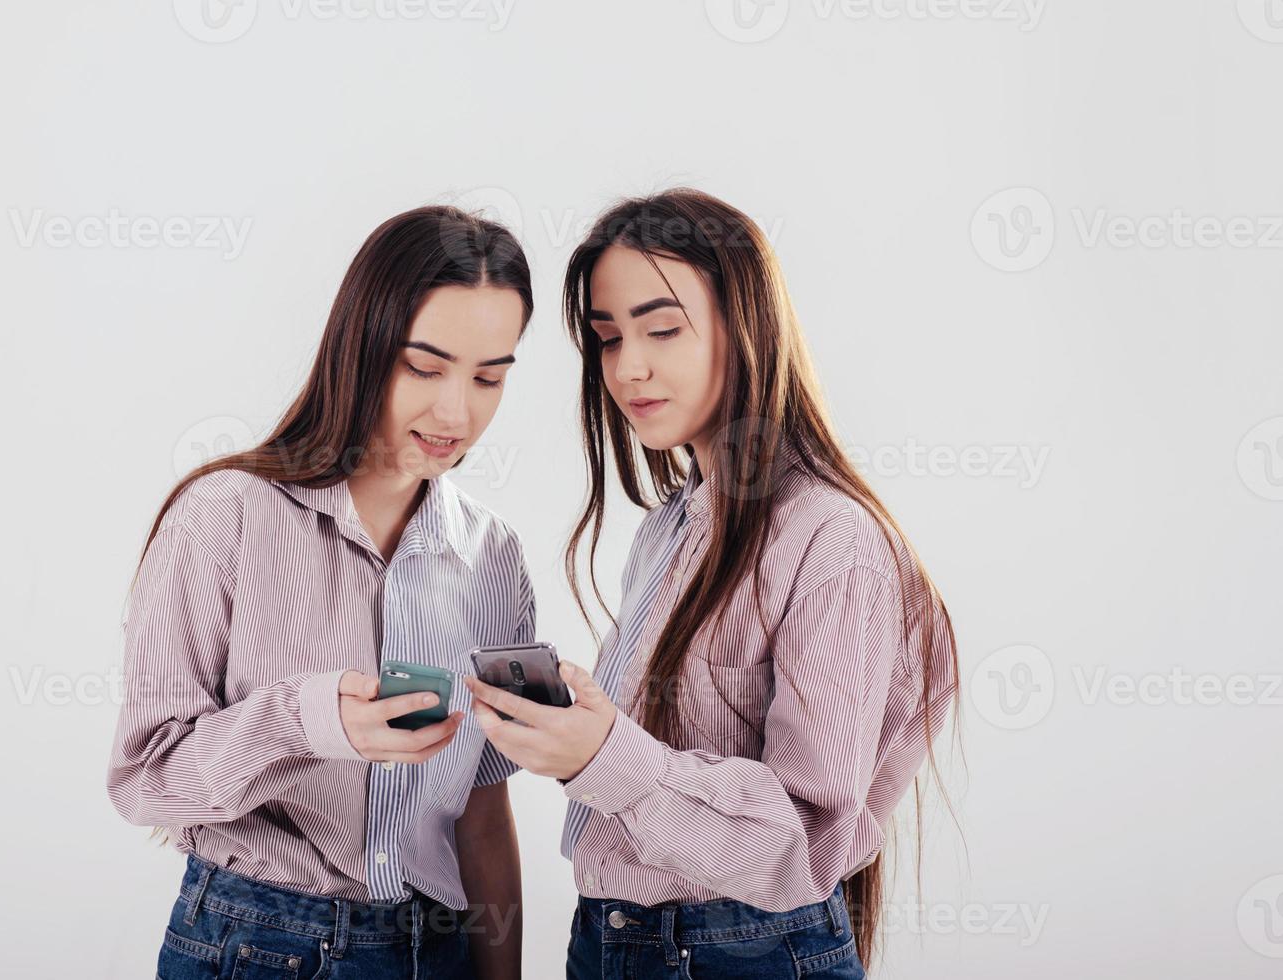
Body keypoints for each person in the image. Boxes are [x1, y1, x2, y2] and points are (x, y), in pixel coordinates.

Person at [464, 189, 959, 979]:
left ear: (748, 325)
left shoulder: (833, 542)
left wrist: (604, 754)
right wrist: (578, 737)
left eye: (662, 328)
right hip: (613, 943)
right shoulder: (671, 527)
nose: (629, 366)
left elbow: (802, 838)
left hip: (737, 952)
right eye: (607, 337)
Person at [107, 205, 535, 980]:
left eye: (488, 377)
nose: (456, 411)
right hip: (255, 942)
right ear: (363, 344)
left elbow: (480, 813)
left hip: (435, 950)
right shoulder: (224, 515)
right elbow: (148, 779)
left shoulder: (494, 557)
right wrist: (306, 719)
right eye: (426, 367)